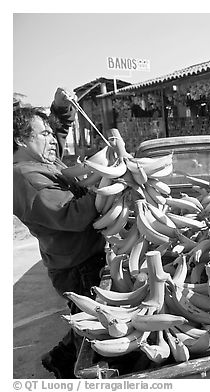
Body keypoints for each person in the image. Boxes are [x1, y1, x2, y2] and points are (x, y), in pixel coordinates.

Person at [13, 88, 107, 378]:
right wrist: (104, 187)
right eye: (43, 134)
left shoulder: (42, 161)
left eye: (50, 134)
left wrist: (60, 107)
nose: (52, 139)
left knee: (88, 318)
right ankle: (67, 369)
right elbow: (70, 215)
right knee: (93, 323)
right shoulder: (23, 177)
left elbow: (58, 134)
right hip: (76, 264)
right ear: (20, 140)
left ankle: (59, 358)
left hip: (81, 254)